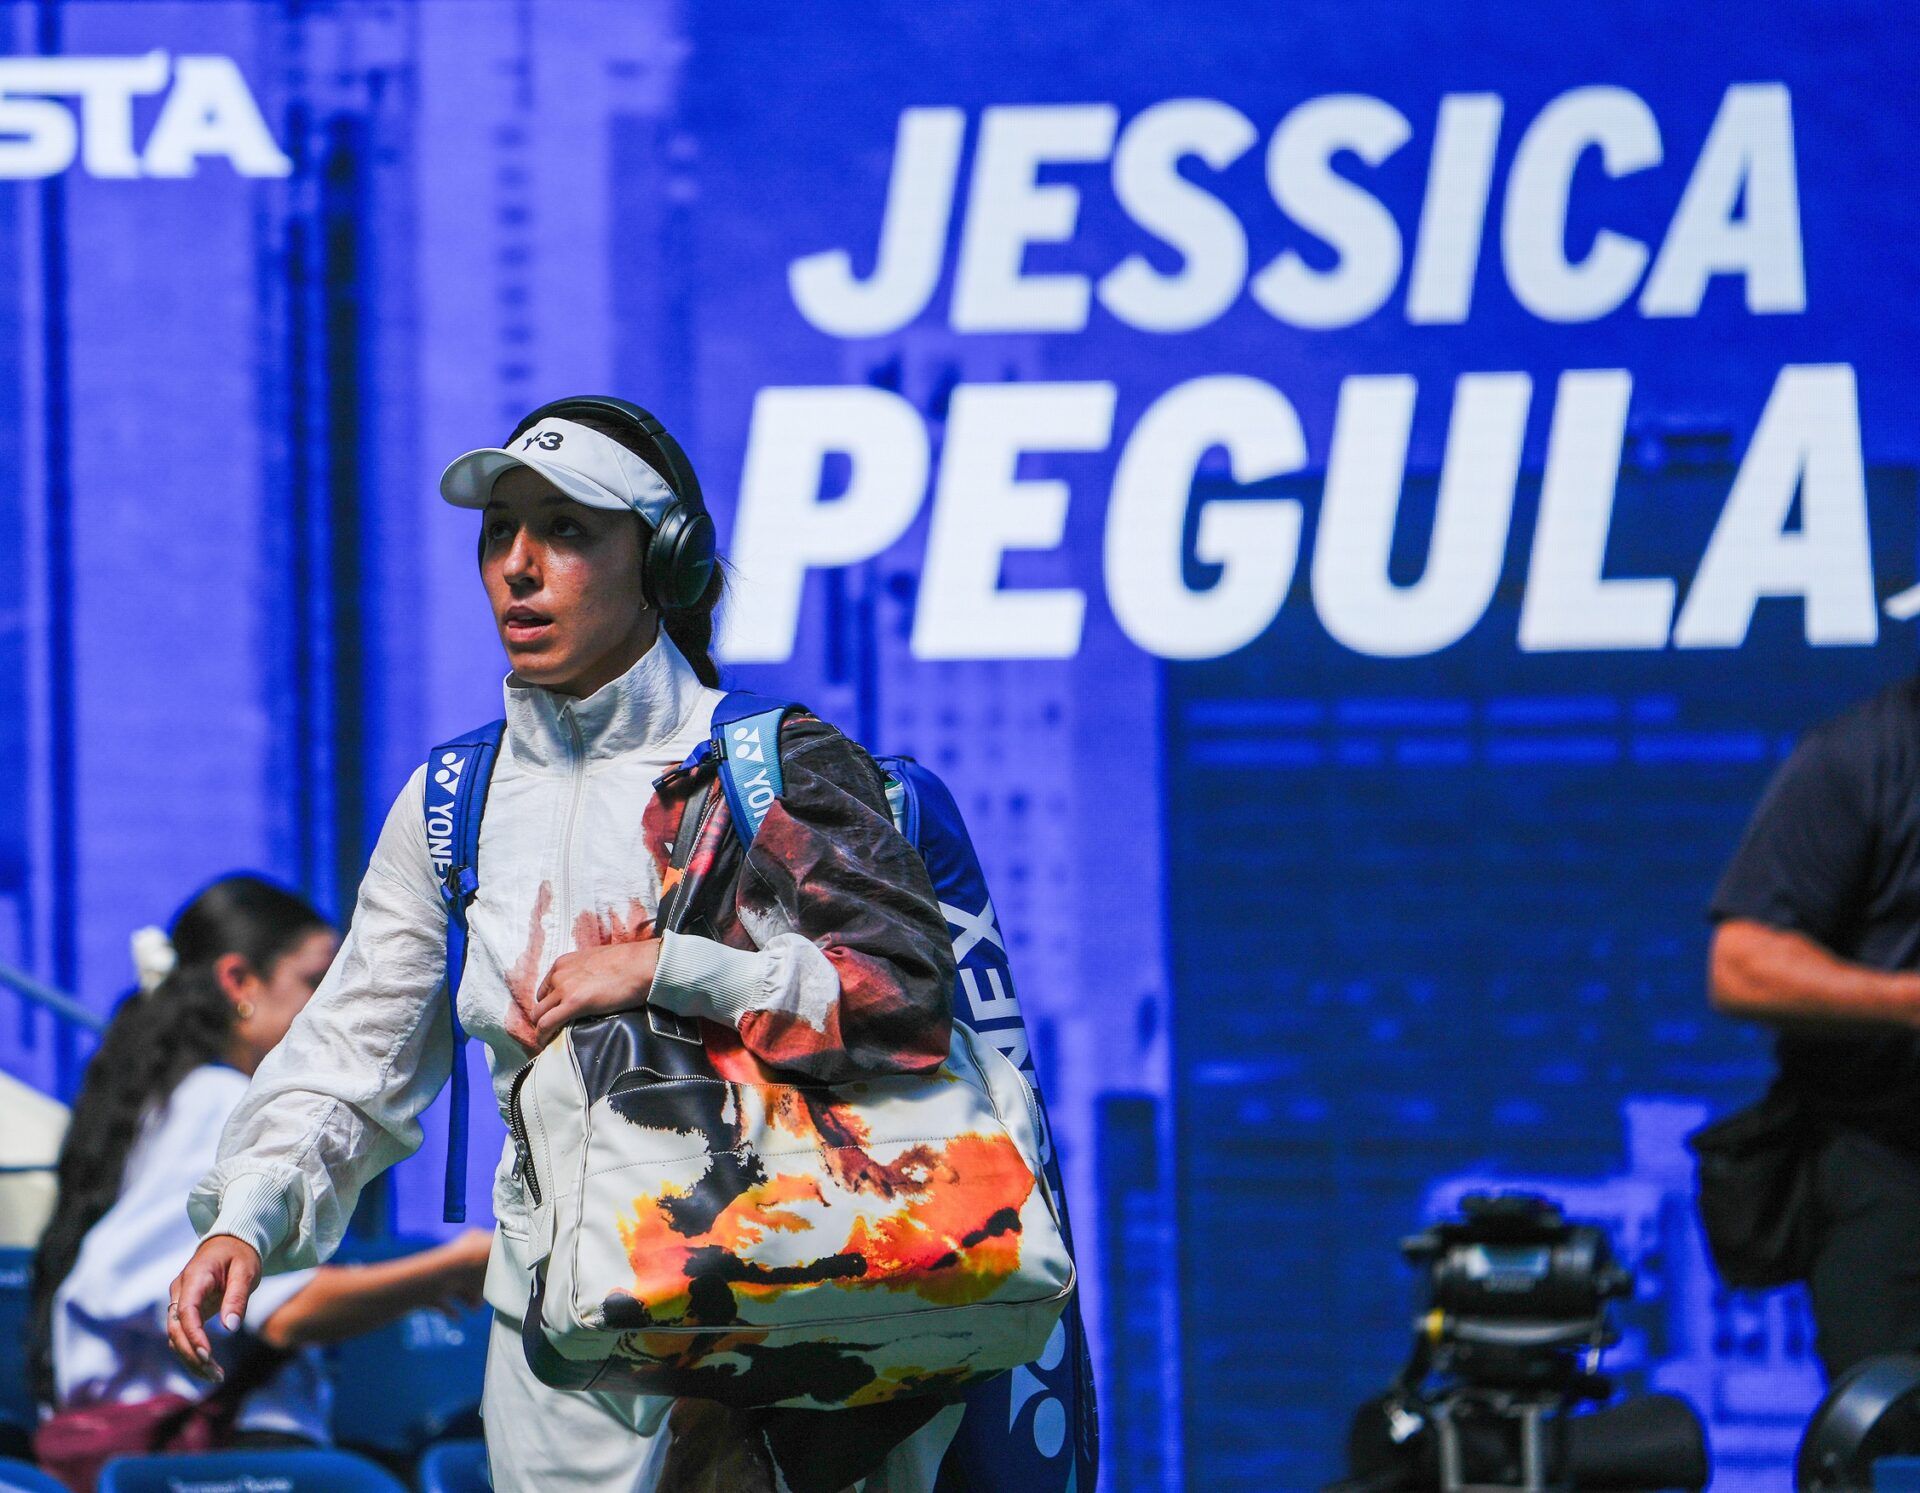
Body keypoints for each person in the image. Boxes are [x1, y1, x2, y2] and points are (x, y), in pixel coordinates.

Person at [168, 399, 960, 1491]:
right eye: (499, 531)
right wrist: (249, 1215)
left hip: (784, 1320)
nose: (519, 567)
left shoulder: (771, 767)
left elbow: (904, 1001)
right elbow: (356, 1052)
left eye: (569, 529)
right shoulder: (453, 797)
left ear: (664, 558)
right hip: (556, 1342)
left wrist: (666, 967)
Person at [29, 875, 491, 1484]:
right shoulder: (217, 1102)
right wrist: (455, 1264)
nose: (334, 1007)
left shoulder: (165, 1101)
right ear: (239, 983)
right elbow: (279, 1311)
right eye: (316, 982)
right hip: (217, 1451)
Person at [1709, 676, 1920, 1377]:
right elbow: (1744, 964)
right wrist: (1908, 1000)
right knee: (1891, 1441)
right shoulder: (1860, 756)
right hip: (1888, 1166)